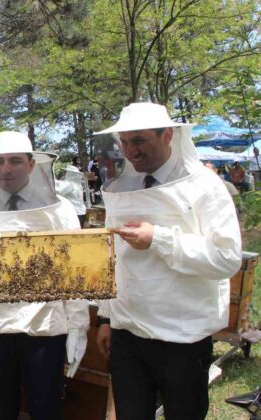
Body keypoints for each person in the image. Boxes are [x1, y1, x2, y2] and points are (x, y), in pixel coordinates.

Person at [93, 103, 242, 420]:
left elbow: (226, 259)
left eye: (140, 140)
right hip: (127, 334)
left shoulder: (205, 187)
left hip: (182, 338)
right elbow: (115, 258)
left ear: (168, 135)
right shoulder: (122, 188)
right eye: (125, 142)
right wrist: (106, 319)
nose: (131, 151)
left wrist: (159, 239)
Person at [0, 131, 88, 419]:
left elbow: (74, 270)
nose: (6, 169)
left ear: (30, 165)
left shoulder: (59, 208)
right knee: (1, 410)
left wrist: (79, 324)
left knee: (45, 408)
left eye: (15, 161)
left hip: (44, 328)